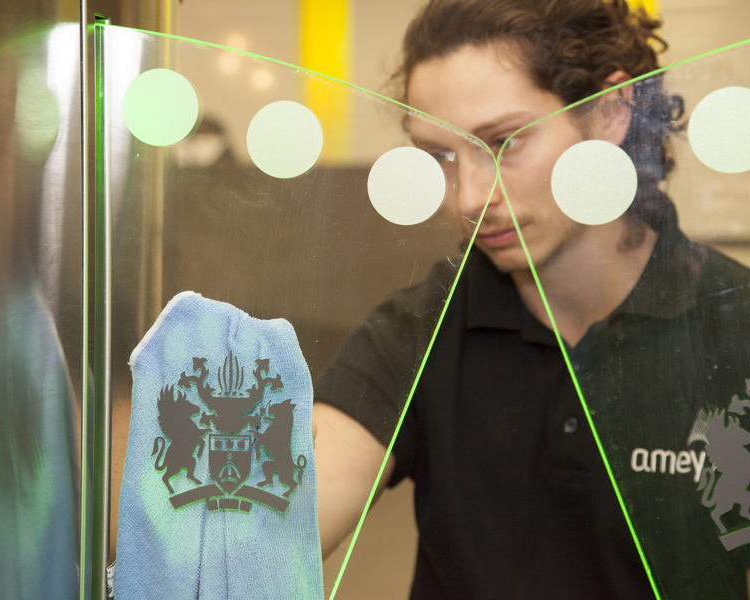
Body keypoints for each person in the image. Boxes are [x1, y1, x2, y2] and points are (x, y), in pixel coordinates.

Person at [313, 0, 750, 598]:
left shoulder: (735, 328)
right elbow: (273, 529)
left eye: (505, 141)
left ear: (609, 112)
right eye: (441, 155)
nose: (469, 197)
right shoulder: (416, 329)